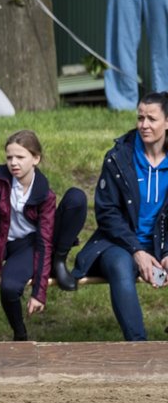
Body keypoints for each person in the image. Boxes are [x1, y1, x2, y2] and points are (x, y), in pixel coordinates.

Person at [59, 92, 168, 341]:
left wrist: (166, 252)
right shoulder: (118, 157)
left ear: (167, 122)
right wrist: (137, 251)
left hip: (160, 245)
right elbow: (107, 213)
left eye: (152, 118)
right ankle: (138, 347)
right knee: (120, 266)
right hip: (117, 244)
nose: (144, 125)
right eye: (140, 117)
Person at [0, 131, 88, 341]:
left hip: (37, 242)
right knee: (9, 288)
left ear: (36, 159)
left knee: (76, 197)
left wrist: (38, 293)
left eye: (20, 157)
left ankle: (58, 260)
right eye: (9, 157)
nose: (13, 163)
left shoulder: (45, 194)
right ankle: (20, 334)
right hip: (12, 245)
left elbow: (43, 241)